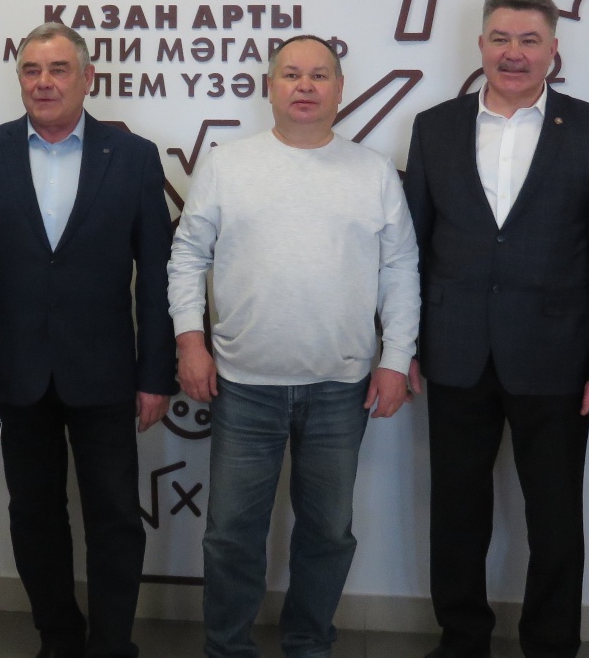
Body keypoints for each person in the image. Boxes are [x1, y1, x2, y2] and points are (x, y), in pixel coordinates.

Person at [167, 34, 420, 658]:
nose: (305, 86)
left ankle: (308, 644)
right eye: (291, 74)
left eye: (319, 75)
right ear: (269, 86)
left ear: (340, 88)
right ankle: (227, 648)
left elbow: (400, 270)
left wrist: (395, 360)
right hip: (244, 383)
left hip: (342, 386)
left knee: (328, 533)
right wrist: (190, 342)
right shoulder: (227, 165)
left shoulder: (373, 171)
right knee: (231, 535)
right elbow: (187, 256)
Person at [402, 0, 589, 658]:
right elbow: (411, 247)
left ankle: (552, 644)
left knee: (555, 518)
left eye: (529, 41)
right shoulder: (434, 127)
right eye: (501, 39)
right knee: (456, 512)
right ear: (481, 45)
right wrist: (403, 345)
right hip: (455, 351)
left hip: (557, 355)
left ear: (553, 51)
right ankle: (462, 640)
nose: (514, 53)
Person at [0, 22, 176, 658]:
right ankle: (59, 638)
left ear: (87, 78)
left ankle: (111, 644)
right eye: (31, 70)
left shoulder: (132, 156)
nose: (43, 82)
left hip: (106, 373)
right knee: (34, 514)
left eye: (58, 69)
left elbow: (158, 277)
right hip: (15, 374)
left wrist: (156, 373)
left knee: (116, 516)